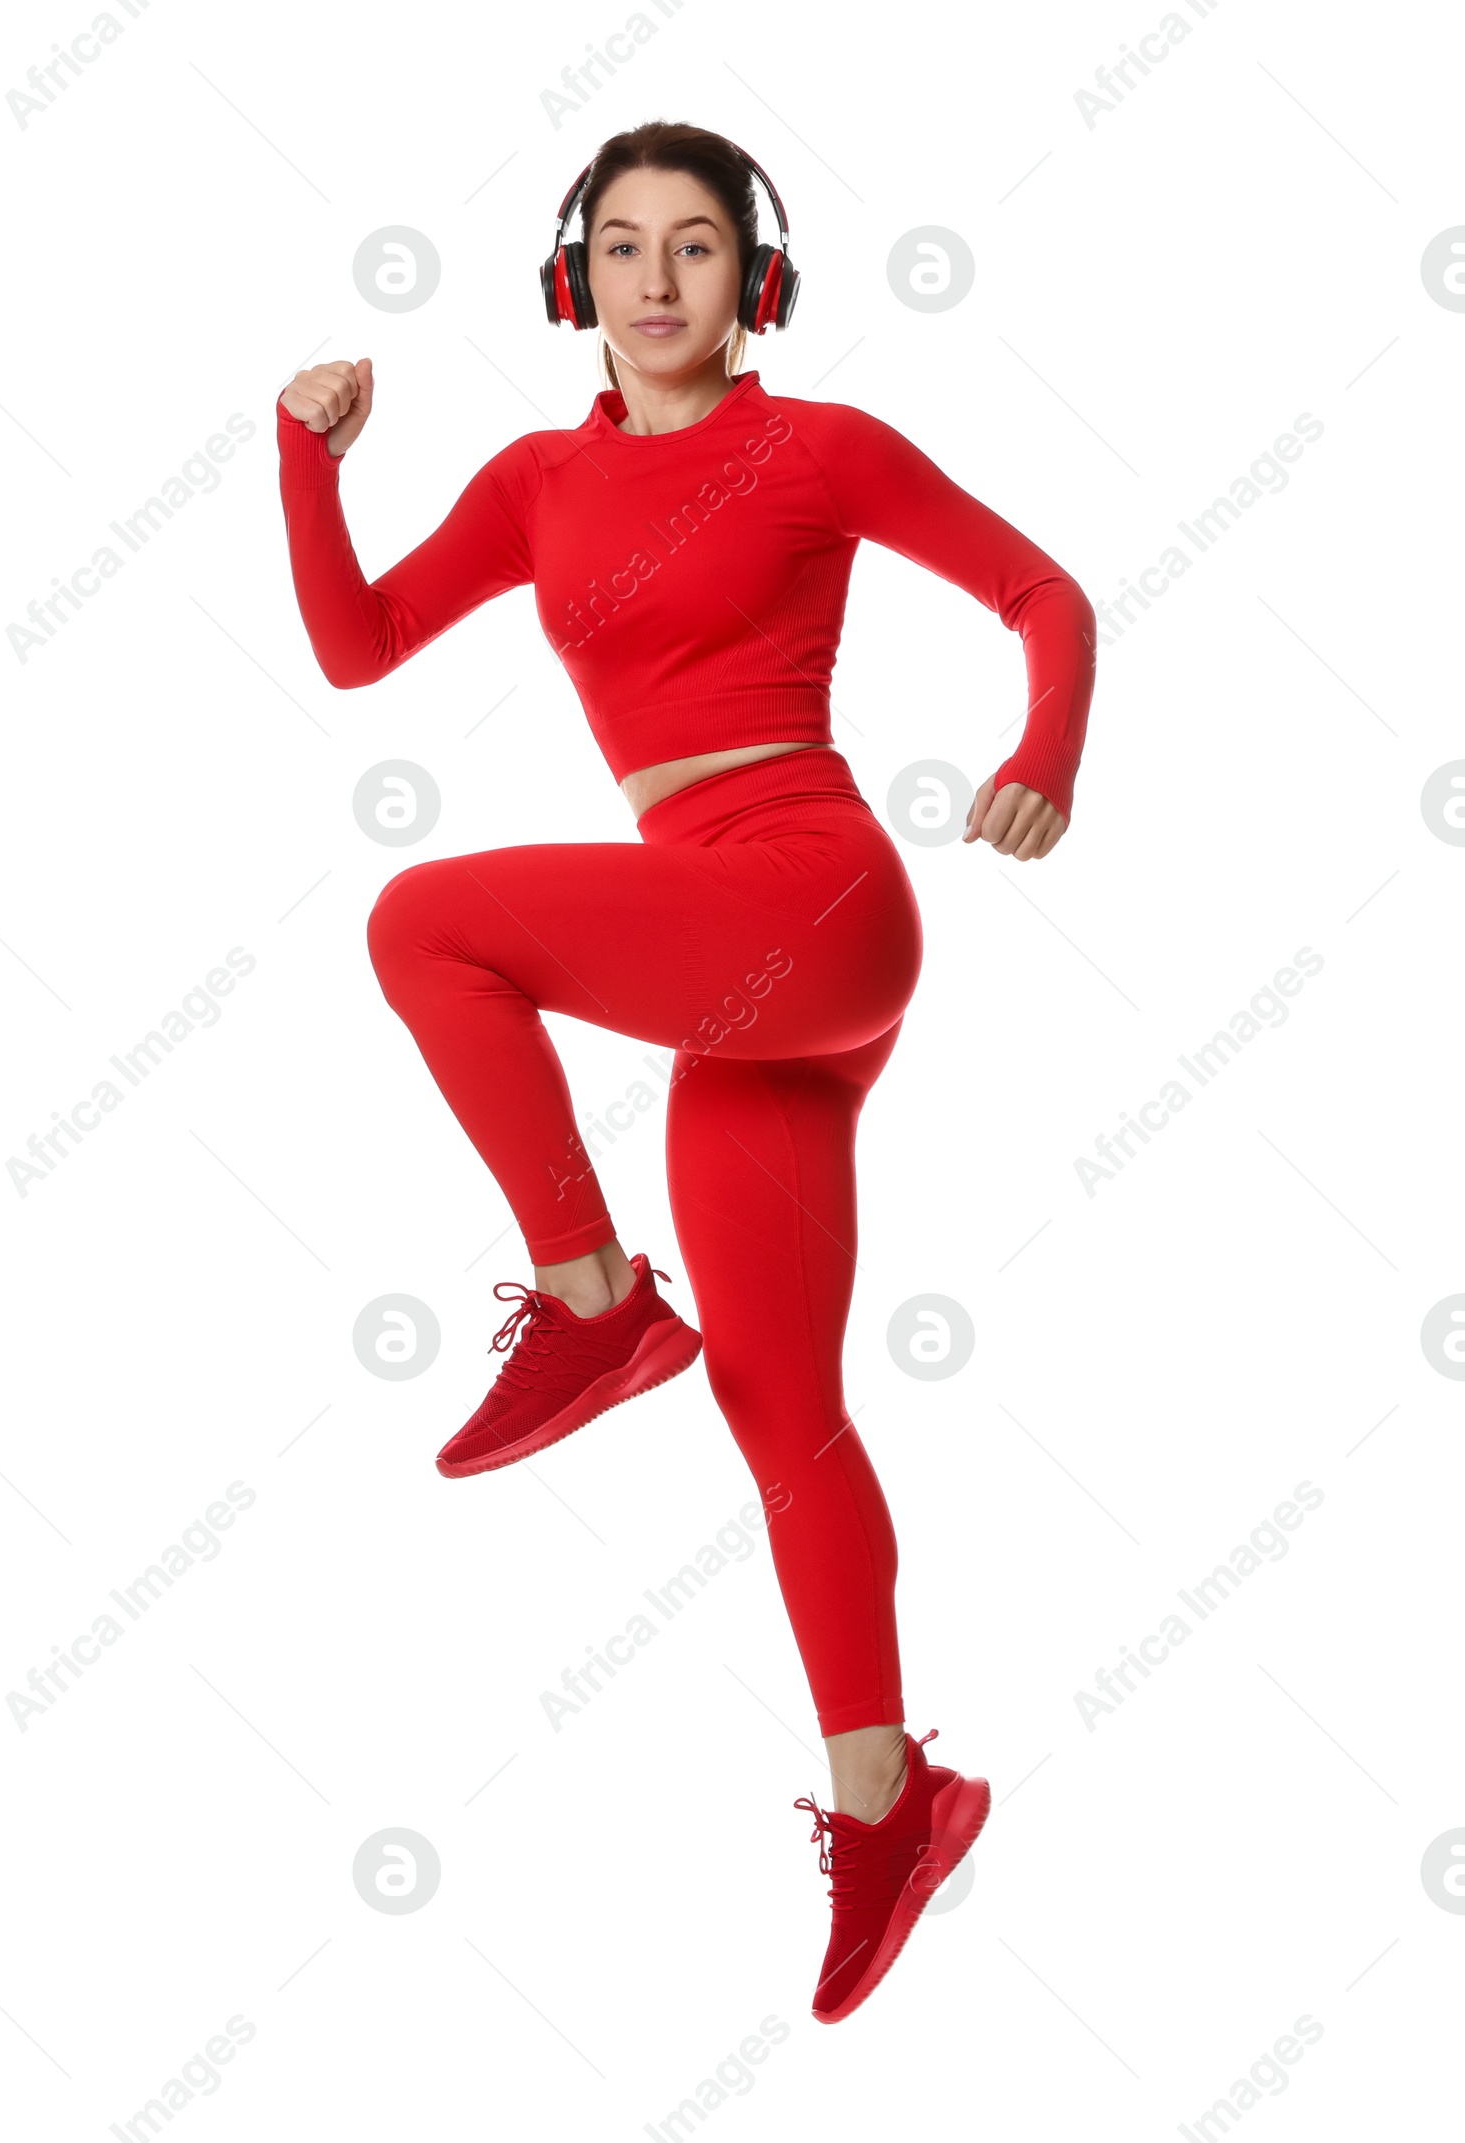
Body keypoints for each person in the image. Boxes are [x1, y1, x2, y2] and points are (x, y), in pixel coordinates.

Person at [275, 119, 1095, 2024]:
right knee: (784, 1402)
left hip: (811, 899)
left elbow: (1040, 591)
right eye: (624, 250)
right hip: (734, 970)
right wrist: (306, 463)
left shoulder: (820, 448)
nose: (659, 283)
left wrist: (1045, 746)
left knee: (426, 925)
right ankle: (894, 1805)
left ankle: (591, 1298)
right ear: (575, 284)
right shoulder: (539, 479)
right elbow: (359, 643)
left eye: (701, 248)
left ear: (758, 281)